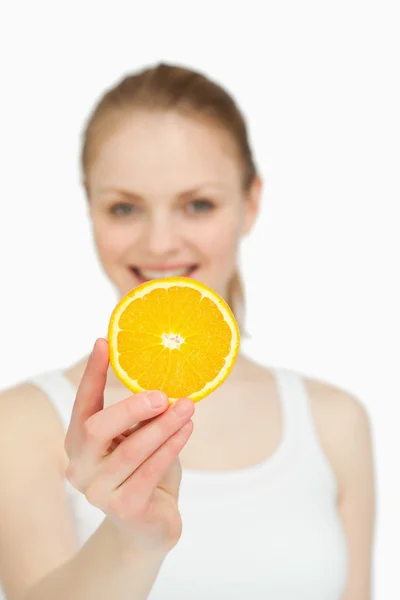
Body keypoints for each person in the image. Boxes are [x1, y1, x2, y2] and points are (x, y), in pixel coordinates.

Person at [0, 63, 375, 600]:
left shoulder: (335, 423)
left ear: (250, 203)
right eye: (124, 207)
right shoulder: (23, 423)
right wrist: (135, 542)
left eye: (197, 204)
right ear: (90, 208)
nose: (159, 244)